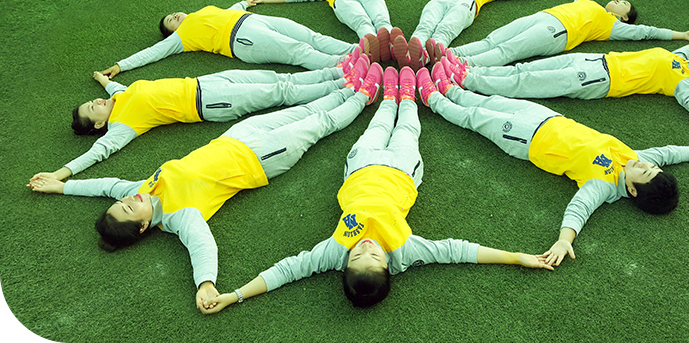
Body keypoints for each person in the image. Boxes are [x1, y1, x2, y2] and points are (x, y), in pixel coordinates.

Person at [199, 65, 552, 314]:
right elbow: (457, 250)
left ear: (344, 265)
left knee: (379, 125)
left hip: (360, 167)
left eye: (357, 257)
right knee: (407, 129)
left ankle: (384, 98)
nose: (366, 248)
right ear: (389, 266)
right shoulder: (407, 250)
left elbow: (287, 270)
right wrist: (515, 256)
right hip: (402, 170)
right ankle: (409, 96)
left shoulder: (332, 251)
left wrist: (236, 295)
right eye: (375, 258)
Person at [27, 67, 384, 313]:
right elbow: (202, 246)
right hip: (261, 160)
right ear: (143, 226)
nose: (129, 199)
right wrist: (205, 284)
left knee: (303, 110)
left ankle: (349, 87)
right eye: (129, 208)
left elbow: (105, 185)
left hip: (235, 138)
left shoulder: (142, 189)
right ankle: (365, 95)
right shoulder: (180, 217)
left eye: (122, 202)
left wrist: (62, 184)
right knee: (320, 123)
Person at [418, 63, 689, 267]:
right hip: (548, 118)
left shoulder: (603, 185)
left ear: (633, 190)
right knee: (492, 103)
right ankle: (452, 88)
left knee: (477, 118)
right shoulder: (633, 158)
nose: (644, 164)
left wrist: (563, 240)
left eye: (645, 172)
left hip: (527, 140)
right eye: (651, 167)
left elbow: (579, 208)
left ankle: (433, 99)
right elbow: (669, 153)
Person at [30, 62, 366, 183]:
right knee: (277, 92)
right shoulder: (121, 127)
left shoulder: (120, 96)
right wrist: (60, 174)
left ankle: (337, 73)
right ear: (98, 126)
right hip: (209, 103)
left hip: (205, 82)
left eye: (91, 102)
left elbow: (111, 88)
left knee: (274, 79)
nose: (96, 103)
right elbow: (98, 153)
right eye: (93, 110)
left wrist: (103, 79)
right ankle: (347, 85)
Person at [442, 32, 689, 140]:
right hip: (596, 60)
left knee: (529, 82)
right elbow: (686, 49)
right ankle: (470, 70)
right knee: (526, 68)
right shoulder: (682, 60)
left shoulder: (686, 82)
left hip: (599, 80)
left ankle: (465, 80)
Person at [98, 0, 369, 78]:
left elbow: (227, 11)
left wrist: (243, 3)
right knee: (296, 50)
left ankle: (360, 49)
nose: (175, 16)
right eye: (171, 20)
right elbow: (151, 53)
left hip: (251, 20)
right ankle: (343, 65)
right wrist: (122, 65)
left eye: (173, 14)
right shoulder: (181, 37)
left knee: (309, 35)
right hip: (241, 40)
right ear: (172, 31)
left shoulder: (201, 11)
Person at [435, 0, 689, 68]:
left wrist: (681, 35)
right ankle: (445, 54)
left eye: (624, 4)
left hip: (556, 33)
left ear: (623, 18)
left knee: (507, 50)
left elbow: (645, 32)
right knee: (492, 39)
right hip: (542, 17)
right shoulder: (590, 3)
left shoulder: (612, 25)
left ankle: (456, 66)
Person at [393, 0, 574, 70]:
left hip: (465, 3)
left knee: (444, 29)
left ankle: (425, 58)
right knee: (425, 26)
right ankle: (410, 54)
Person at [250, 0, 420, 61]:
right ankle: (373, 48)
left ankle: (395, 47)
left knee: (382, 20)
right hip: (344, 0)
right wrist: (266, 0)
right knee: (362, 22)